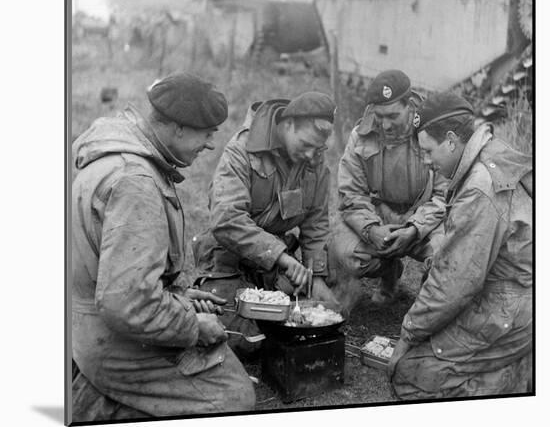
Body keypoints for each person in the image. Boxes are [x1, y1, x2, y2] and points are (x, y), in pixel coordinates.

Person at [71, 72, 255, 423]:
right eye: (206, 133)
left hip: (90, 323)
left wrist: (179, 298)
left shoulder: (118, 156)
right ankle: (96, 405)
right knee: (233, 397)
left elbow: (115, 274)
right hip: (111, 340)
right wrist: (193, 324)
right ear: (179, 128)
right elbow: (127, 303)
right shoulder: (136, 183)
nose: (210, 144)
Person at [388, 92, 532, 399]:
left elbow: (454, 283)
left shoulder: (480, 187)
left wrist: (407, 336)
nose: (427, 162)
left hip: (509, 306)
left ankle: (511, 383)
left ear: (451, 141)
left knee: (410, 374)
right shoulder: (490, 151)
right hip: (517, 293)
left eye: (428, 151)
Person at [194, 91, 338, 354]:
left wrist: (316, 276)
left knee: (309, 316)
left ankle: (270, 293)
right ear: (287, 123)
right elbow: (228, 220)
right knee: (243, 341)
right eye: (305, 144)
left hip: (274, 263)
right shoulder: (241, 150)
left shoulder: (314, 159)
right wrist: (283, 258)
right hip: (229, 255)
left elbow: (316, 222)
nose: (310, 155)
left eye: (317, 149)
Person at [330, 70, 447, 307]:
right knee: (346, 254)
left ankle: (428, 304)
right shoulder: (360, 136)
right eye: (379, 116)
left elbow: (445, 195)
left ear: (410, 105)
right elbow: (351, 194)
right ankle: (389, 272)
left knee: (447, 254)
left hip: (424, 218)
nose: (386, 124)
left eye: (393, 116)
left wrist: (414, 229)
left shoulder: (432, 132)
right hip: (378, 216)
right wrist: (371, 229)